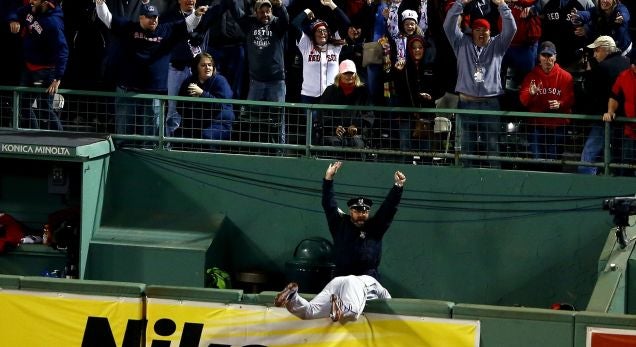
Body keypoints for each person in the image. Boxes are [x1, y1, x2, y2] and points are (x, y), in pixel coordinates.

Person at [94, 0, 209, 140]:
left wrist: (196, 14)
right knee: (124, 131)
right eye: (149, 17)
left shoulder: (165, 30)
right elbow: (107, 18)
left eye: (155, 17)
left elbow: (186, 24)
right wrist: (100, 4)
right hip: (128, 90)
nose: (153, 20)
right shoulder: (129, 28)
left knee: (151, 135)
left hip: (153, 92)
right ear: (141, 17)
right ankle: (123, 155)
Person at [443, 0, 517, 168]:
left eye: (485, 30)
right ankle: (464, 185)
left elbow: (512, 29)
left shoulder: (498, 45)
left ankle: (495, 181)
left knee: (492, 148)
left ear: (491, 32)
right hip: (466, 103)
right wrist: (460, 4)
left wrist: (502, 5)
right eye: (477, 30)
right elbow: (448, 26)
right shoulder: (461, 43)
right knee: (465, 148)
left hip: (490, 104)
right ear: (472, 32)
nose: (481, 33)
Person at [322, 161, 406, 279]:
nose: (361, 214)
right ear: (350, 211)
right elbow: (328, 204)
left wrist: (398, 186)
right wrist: (328, 178)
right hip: (342, 278)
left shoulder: (375, 227)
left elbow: (389, 209)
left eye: (365, 211)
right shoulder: (340, 224)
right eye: (357, 211)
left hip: (368, 280)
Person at [226, 0, 290, 144]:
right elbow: (235, 10)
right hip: (256, 82)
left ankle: (280, 152)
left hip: (276, 81)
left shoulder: (277, 24)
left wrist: (280, 6)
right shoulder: (249, 23)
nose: (265, 14)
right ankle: (251, 148)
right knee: (250, 118)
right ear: (255, 12)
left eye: (268, 11)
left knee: (279, 119)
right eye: (261, 11)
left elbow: (286, 21)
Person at [8, 0, 69, 131]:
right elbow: (17, 11)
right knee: (23, 106)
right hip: (29, 66)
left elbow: (63, 50)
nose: (31, 1)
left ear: (45, 3)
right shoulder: (32, 8)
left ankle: (61, 141)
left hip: (46, 71)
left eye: (35, 0)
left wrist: (57, 78)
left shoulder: (53, 23)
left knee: (44, 108)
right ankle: (32, 137)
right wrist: (13, 20)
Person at [577, 35, 630, 174]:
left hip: (605, 120)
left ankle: (585, 189)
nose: (594, 55)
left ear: (605, 50)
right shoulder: (627, 63)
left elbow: (591, 92)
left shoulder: (603, 67)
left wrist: (588, 73)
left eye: (596, 51)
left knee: (587, 159)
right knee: (621, 161)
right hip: (625, 121)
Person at [519, 41, 575, 162]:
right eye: (544, 55)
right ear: (539, 57)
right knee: (538, 160)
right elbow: (523, 101)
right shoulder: (531, 76)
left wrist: (561, 103)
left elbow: (570, 99)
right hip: (537, 125)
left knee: (554, 159)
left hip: (558, 125)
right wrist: (531, 93)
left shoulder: (566, 76)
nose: (547, 59)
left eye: (550, 55)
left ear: (555, 57)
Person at [163, 0, 205, 137]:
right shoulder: (170, 16)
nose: (190, 1)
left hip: (197, 69)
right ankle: (170, 143)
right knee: (173, 109)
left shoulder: (203, 15)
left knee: (198, 108)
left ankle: (193, 144)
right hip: (176, 69)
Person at [274, 274, 391, 322]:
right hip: (354, 283)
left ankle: (293, 296)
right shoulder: (375, 284)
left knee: (310, 311)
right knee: (353, 312)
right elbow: (390, 303)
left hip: (336, 282)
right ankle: (341, 307)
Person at [176, 53, 234, 146]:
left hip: (219, 124)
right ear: (196, 68)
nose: (207, 68)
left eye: (210, 65)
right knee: (178, 136)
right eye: (203, 65)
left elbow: (220, 106)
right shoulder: (189, 81)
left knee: (206, 136)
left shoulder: (220, 81)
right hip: (196, 123)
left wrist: (202, 94)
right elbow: (180, 106)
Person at [318, 60, 374, 152]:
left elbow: (369, 115)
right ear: (340, 74)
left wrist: (357, 126)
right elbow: (322, 114)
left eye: (351, 73)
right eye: (345, 73)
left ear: (355, 74)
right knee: (333, 143)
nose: (349, 76)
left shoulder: (363, 91)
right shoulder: (330, 91)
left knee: (357, 144)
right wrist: (334, 127)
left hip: (357, 135)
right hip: (333, 133)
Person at [600, 51, 636, 175]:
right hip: (630, 132)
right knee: (626, 168)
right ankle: (625, 194)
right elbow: (614, 96)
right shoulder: (624, 76)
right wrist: (610, 111)